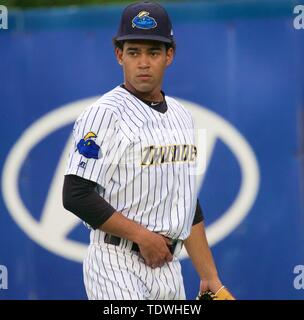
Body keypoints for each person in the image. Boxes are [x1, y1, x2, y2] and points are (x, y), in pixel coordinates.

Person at [63, 1, 227, 300]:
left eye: (153, 52)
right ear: (119, 55)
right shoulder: (104, 114)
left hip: (168, 265)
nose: (143, 62)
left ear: (169, 56)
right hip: (115, 262)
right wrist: (142, 236)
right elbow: (76, 194)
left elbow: (187, 204)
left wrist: (210, 278)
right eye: (134, 52)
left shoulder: (182, 116)